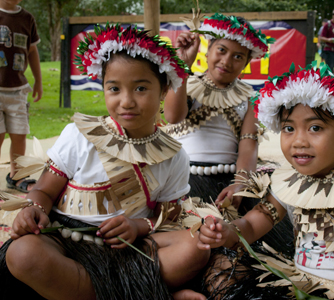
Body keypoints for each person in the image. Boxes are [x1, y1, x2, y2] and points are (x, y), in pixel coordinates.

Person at [0, 25, 209, 300]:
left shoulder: (174, 155)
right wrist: (35, 208)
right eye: (114, 88)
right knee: (23, 254)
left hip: (133, 248)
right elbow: (45, 190)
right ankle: (154, 293)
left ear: (164, 89)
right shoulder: (80, 136)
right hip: (67, 240)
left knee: (197, 245)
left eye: (141, 88)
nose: (126, 101)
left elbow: (169, 215)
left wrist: (137, 227)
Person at [198, 62, 334, 300]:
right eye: (288, 128)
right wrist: (228, 232)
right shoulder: (289, 181)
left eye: (315, 128)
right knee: (221, 267)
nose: (299, 141)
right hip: (302, 288)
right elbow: (253, 225)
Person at [164, 13, 272, 209]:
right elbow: (172, 117)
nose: (226, 61)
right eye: (221, 50)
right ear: (207, 51)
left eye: (238, 57)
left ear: (247, 63)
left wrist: (240, 183)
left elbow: (248, 146)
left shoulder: (249, 99)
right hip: (181, 178)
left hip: (227, 180)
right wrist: (183, 66)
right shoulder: (187, 86)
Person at [0, 0, 43, 193]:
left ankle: (16, 176)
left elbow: (32, 51)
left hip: (18, 89)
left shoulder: (27, 18)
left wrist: (38, 81)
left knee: (19, 134)